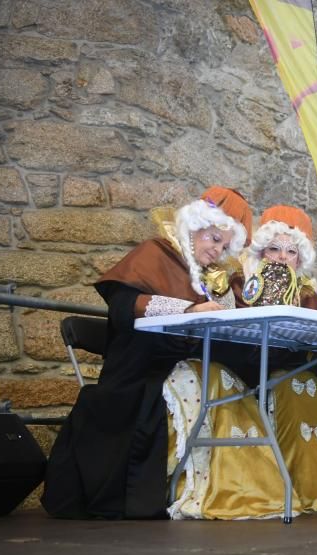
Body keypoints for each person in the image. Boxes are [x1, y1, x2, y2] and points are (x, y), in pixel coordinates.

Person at [42, 186, 254, 519]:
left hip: (180, 365)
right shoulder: (155, 253)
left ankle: (220, 490)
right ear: (195, 227)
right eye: (214, 239)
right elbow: (123, 307)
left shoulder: (209, 278)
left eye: (224, 246)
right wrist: (188, 310)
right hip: (137, 369)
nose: (217, 250)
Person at [163, 204, 317, 519]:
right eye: (274, 248)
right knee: (232, 380)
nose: (282, 257)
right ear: (261, 253)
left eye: (291, 251)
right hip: (238, 370)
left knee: (303, 383)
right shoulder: (239, 286)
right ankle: (244, 486)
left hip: (278, 374)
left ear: (300, 259)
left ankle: (316, 488)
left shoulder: (309, 297)